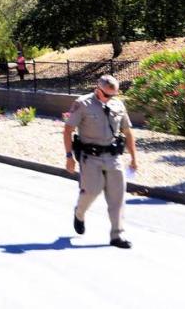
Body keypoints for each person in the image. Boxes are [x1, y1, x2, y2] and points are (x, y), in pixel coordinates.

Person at [63, 75, 138, 249]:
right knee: (91, 191)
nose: (111, 98)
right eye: (107, 95)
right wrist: (69, 157)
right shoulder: (82, 104)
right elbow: (68, 130)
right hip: (91, 157)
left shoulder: (118, 105)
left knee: (117, 197)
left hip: (113, 157)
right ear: (98, 89)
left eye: (114, 95)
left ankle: (117, 235)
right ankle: (79, 213)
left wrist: (134, 157)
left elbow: (127, 132)